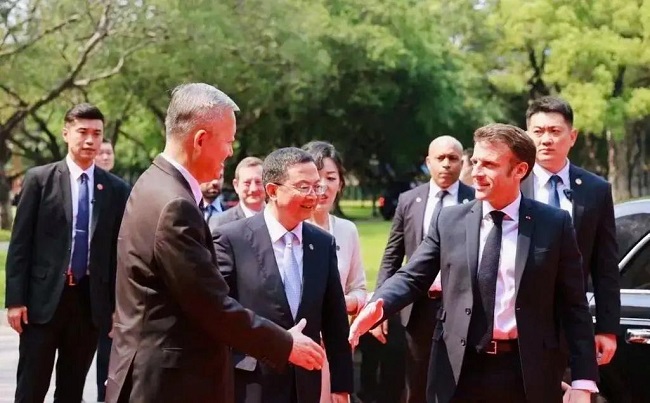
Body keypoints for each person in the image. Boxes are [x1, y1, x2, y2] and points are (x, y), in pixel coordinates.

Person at [106, 83, 325, 402]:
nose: (230, 152)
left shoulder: (153, 183)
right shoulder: (174, 205)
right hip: (169, 385)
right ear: (200, 140)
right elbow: (211, 305)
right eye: (228, 141)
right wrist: (285, 344)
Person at [349, 123, 599, 403]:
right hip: (457, 371)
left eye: (489, 164)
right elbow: (412, 276)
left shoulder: (554, 225)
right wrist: (379, 304)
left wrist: (583, 381)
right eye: (476, 162)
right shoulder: (450, 220)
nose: (477, 172)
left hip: (526, 372)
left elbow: (574, 306)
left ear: (519, 170)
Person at [5, 103, 130, 402]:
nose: (90, 140)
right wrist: (15, 300)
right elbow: (21, 244)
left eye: (96, 134)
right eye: (82, 132)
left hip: (89, 305)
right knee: (32, 387)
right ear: (66, 133)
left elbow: (118, 254)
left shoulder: (115, 189)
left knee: (72, 389)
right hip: (42, 302)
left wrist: (117, 306)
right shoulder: (40, 180)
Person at [213, 147, 354, 403]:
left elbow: (334, 321)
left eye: (316, 187)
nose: (313, 195)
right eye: (303, 187)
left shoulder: (322, 243)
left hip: (305, 384)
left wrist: (341, 387)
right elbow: (220, 313)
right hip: (251, 383)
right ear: (273, 191)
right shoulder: (232, 240)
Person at [375, 135, 474, 403]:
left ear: (462, 162)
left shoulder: (475, 200)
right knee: (416, 384)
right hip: (418, 308)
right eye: (440, 158)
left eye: (453, 158)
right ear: (428, 162)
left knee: (459, 383)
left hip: (461, 307)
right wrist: (380, 305)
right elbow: (392, 257)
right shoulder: (409, 200)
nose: (446, 164)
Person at [522, 96, 620, 367]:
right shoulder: (513, 184)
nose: (546, 140)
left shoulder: (595, 190)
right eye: (538, 132)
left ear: (572, 136)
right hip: (518, 322)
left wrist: (607, 329)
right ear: (527, 136)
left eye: (555, 131)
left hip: (573, 323)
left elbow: (605, 265)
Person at [301, 141, 367, 402]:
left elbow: (359, 288)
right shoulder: (290, 231)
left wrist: (344, 303)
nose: (323, 186)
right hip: (297, 346)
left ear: (341, 183)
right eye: (315, 178)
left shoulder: (347, 231)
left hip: (335, 347)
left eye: (331, 178)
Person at [93, 137, 119, 401]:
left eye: (108, 152)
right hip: (76, 285)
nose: (104, 156)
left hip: (108, 289)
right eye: (101, 152)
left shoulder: (120, 190)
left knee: (107, 353)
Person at [212, 156, 265, 228]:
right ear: (236, 185)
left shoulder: (278, 218)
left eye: (258, 182)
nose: (253, 189)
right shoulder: (221, 222)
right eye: (247, 183)